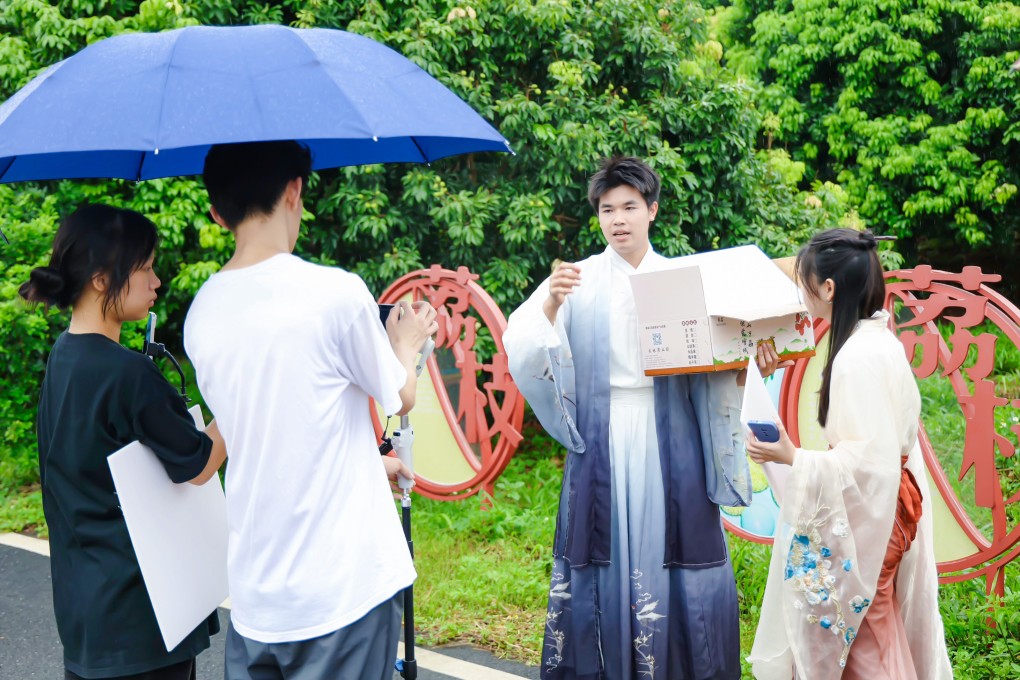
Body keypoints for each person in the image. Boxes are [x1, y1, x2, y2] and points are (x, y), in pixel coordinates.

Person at [503, 156, 783, 679]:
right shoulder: (574, 279)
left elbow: (715, 366)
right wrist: (548, 307)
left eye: (630, 206)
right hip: (603, 433)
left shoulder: (682, 279)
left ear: (652, 210)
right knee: (603, 545)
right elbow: (521, 348)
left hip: (668, 437)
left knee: (671, 543)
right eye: (608, 209)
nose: (619, 219)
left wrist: (749, 367)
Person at [183, 141, 437, 680]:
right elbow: (399, 394)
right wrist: (408, 343)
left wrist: (367, 468)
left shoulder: (202, 312)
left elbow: (268, 424)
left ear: (216, 210)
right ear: (295, 190)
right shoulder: (334, 293)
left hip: (257, 598)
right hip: (343, 591)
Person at [19, 204, 226, 680]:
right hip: (144, 619)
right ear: (99, 278)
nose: (156, 282)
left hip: (87, 615)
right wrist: (245, 406)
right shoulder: (126, 373)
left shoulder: (64, 356)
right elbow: (197, 463)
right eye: (146, 268)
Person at [745, 228, 952, 679]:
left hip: (874, 513)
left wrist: (793, 457)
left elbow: (866, 465)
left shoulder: (857, 356)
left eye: (804, 280)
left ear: (829, 289)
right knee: (875, 625)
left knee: (864, 634)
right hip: (890, 505)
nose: (801, 291)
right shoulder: (877, 341)